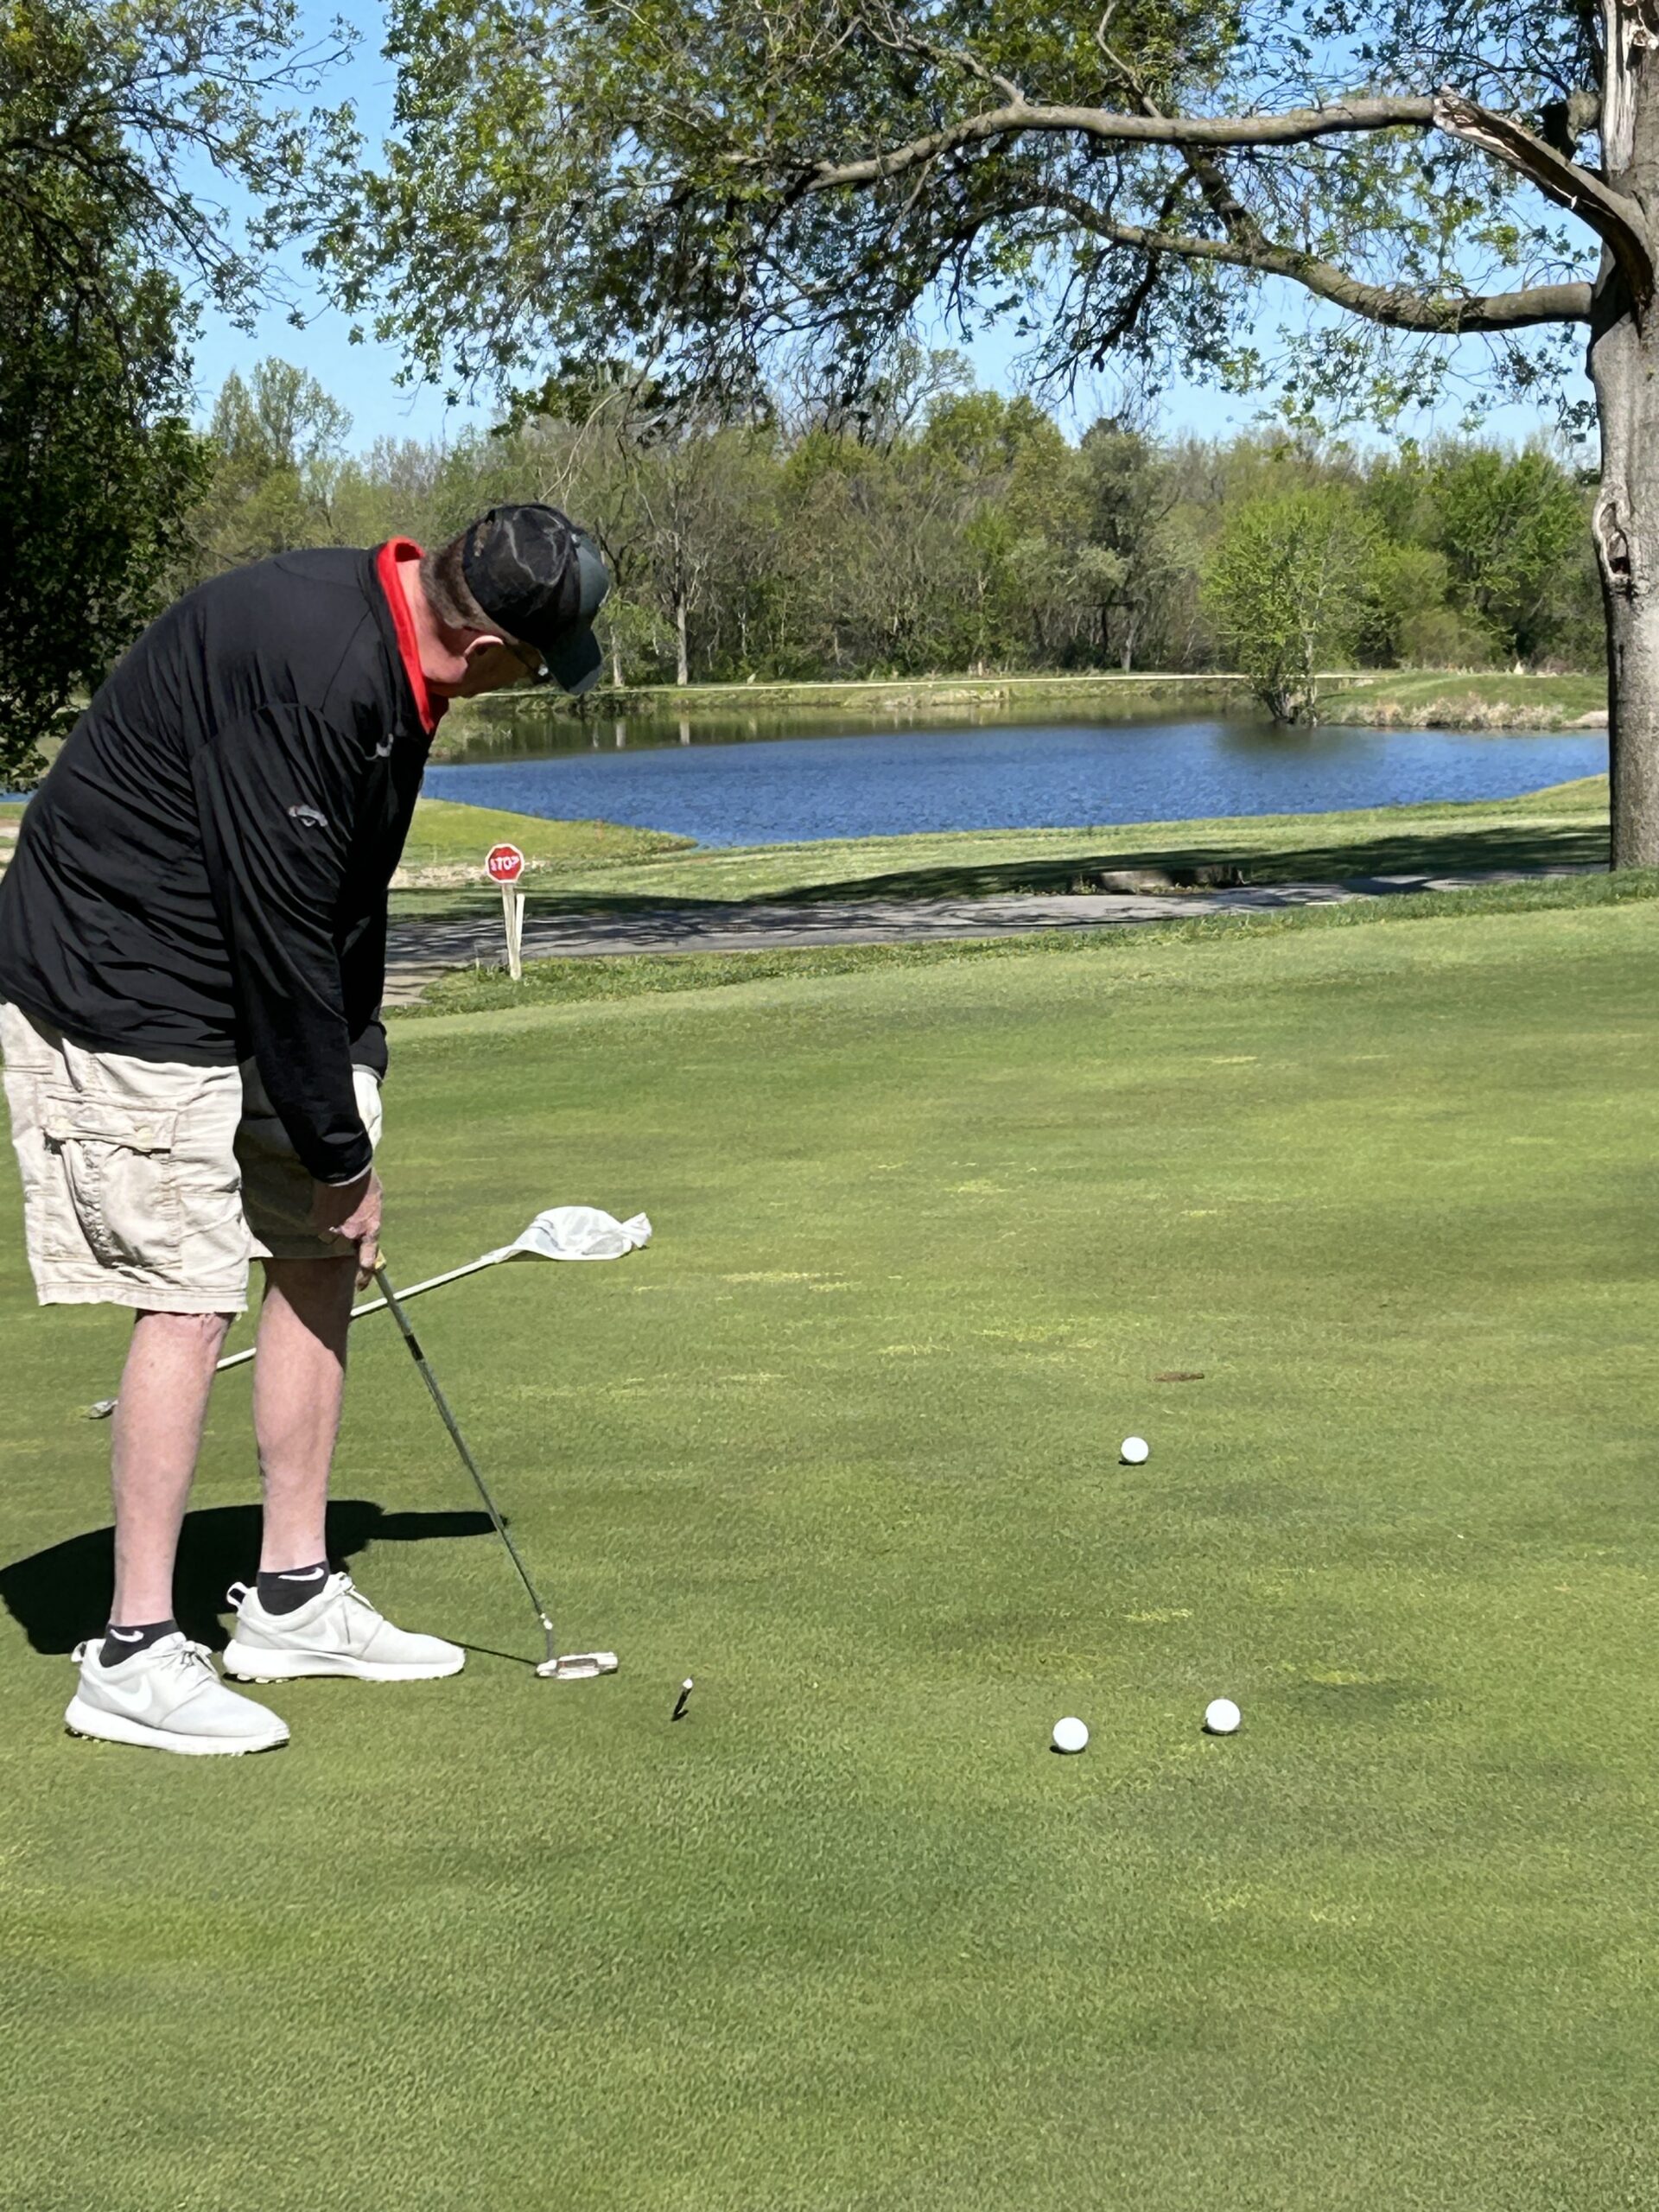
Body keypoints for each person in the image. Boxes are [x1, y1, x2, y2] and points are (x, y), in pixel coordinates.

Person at [0, 505, 610, 1756]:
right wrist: (338, 1157)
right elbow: (280, 933)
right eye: (536, 665)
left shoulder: (401, 668)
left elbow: (344, 895)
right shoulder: (316, 673)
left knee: (321, 1252)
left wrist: (357, 1067)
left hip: (235, 967)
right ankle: (131, 1653)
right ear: (487, 647)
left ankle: (290, 1597)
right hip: (119, 980)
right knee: (189, 1291)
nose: (529, 683)